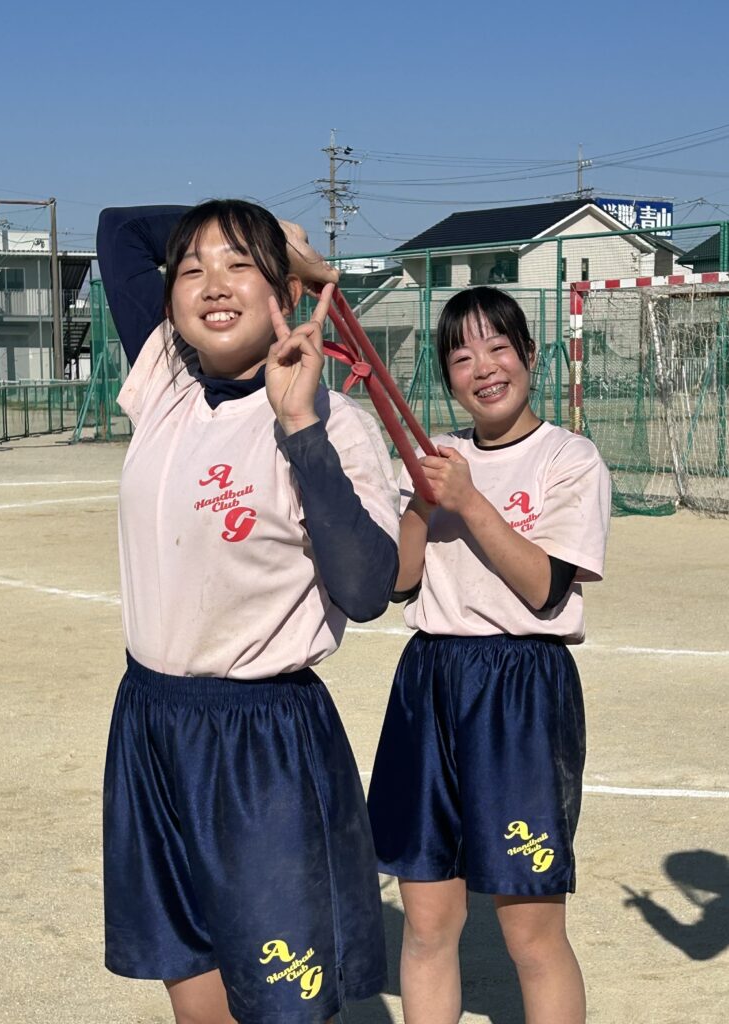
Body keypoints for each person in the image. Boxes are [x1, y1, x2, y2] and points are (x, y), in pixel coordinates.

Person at [96, 199, 400, 1024]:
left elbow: (367, 589)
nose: (212, 283)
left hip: (260, 742)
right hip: (151, 722)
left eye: (239, 265)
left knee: (282, 1006)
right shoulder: (166, 377)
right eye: (192, 268)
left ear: (285, 297)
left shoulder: (336, 424)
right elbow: (120, 229)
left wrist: (299, 427)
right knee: (192, 989)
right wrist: (270, 236)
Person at [367, 286, 611, 1024]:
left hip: (520, 692)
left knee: (530, 933)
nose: (483, 368)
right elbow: (399, 582)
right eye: (462, 357)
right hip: (429, 682)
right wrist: (419, 501)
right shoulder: (437, 460)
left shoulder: (569, 458)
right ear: (447, 376)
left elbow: (543, 587)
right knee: (427, 924)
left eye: (499, 347)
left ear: (530, 355)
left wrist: (469, 501)